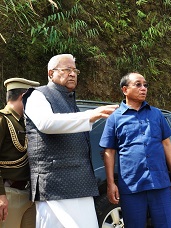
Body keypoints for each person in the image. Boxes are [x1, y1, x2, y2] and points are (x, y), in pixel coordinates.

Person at [22, 54, 118, 228]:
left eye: (75, 70)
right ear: (51, 73)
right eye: (67, 69)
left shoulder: (69, 99)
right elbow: (46, 123)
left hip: (81, 182)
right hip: (55, 182)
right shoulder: (38, 95)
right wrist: (91, 115)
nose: (72, 74)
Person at [100, 72, 171, 228]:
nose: (143, 88)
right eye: (138, 84)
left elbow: (166, 144)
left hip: (160, 183)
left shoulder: (156, 114)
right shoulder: (115, 118)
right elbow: (109, 152)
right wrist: (111, 183)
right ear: (125, 90)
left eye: (145, 85)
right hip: (132, 186)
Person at [0, 78, 39, 228]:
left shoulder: (27, 122)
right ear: (24, 97)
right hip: (9, 194)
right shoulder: (3, 119)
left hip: (28, 194)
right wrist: (1, 195)